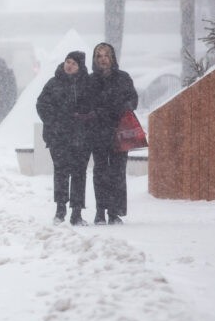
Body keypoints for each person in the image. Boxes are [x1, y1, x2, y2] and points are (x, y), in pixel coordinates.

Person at [35, 52, 94, 225]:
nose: (69, 65)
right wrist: (55, 121)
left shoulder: (86, 84)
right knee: (61, 173)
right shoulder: (53, 83)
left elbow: (92, 107)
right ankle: (60, 210)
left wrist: (83, 117)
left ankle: (76, 213)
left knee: (79, 174)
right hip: (58, 137)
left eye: (74, 64)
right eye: (68, 62)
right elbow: (41, 105)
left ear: (80, 67)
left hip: (81, 137)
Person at [90, 42, 139, 225]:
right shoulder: (91, 81)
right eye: (99, 56)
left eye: (106, 55)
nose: (103, 59)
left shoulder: (123, 78)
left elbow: (133, 98)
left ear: (112, 58)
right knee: (101, 172)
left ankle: (114, 211)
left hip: (120, 131)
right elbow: (86, 104)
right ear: (95, 59)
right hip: (98, 131)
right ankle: (100, 211)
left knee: (118, 172)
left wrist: (125, 107)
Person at [0, 57, 18, 123]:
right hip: (7, 103)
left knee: (3, 122)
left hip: (4, 103)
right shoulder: (9, 74)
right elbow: (14, 89)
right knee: (9, 121)